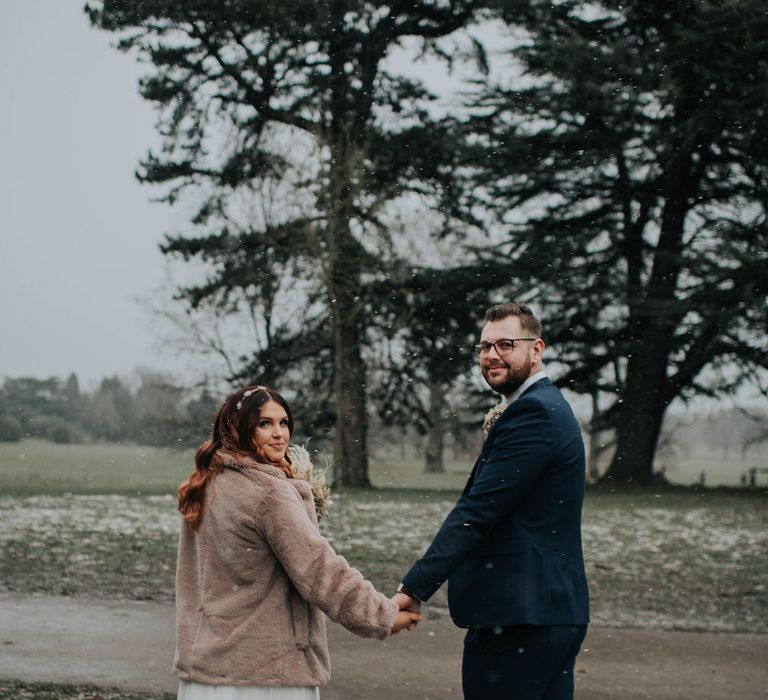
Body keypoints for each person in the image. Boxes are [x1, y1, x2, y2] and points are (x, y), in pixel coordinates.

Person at [173, 385, 421, 700]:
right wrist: (382, 616)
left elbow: (192, 581)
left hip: (207, 672)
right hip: (264, 674)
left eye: (284, 423)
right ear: (237, 429)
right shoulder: (269, 493)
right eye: (264, 424)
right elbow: (321, 571)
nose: (279, 434)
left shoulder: (207, 484)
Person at [394, 303, 589, 700]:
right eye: (484, 347)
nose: (491, 355)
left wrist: (414, 587)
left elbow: (478, 511)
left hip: (520, 617)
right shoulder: (544, 407)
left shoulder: (534, 412)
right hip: (549, 612)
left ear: (537, 349)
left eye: (505, 344)